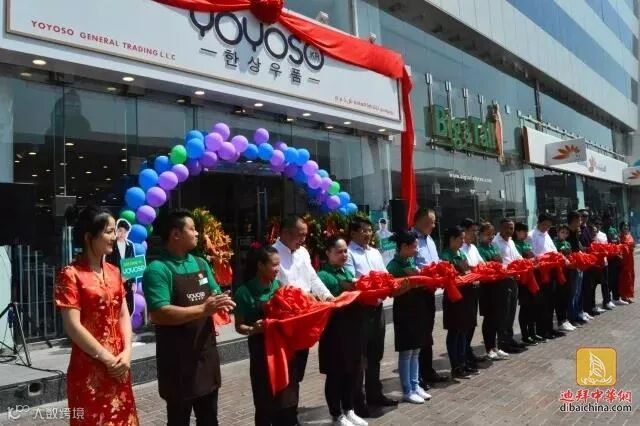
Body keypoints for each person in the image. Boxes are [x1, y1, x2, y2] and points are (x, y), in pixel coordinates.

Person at [143, 209, 235, 426]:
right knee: (178, 419)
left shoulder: (200, 263)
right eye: (192, 229)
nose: (197, 233)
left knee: (209, 418)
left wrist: (221, 300)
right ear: (176, 234)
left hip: (205, 356)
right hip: (177, 361)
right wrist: (203, 309)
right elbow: (160, 313)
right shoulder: (157, 269)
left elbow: (213, 292)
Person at [54, 205, 139, 425]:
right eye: (109, 231)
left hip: (119, 366)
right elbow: (73, 327)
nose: (114, 236)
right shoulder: (71, 274)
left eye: (114, 231)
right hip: (90, 370)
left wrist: (127, 353)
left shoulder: (114, 272)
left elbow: (123, 314)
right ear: (89, 237)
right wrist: (107, 358)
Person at [272, 215, 334, 419]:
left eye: (305, 235)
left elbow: (313, 278)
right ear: (286, 233)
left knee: (297, 372)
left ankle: (292, 413)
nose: (303, 240)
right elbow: (275, 288)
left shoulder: (303, 252)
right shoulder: (272, 254)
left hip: (304, 320)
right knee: (285, 372)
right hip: (286, 321)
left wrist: (327, 296)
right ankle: (284, 417)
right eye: (300, 235)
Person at [234, 246, 299, 426]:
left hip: (284, 352)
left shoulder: (279, 286)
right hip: (262, 354)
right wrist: (253, 329)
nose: (278, 269)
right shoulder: (244, 292)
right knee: (265, 403)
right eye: (274, 265)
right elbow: (239, 326)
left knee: (287, 401)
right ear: (260, 265)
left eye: (279, 264)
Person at [345, 217, 397, 414]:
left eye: (369, 230)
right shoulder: (348, 253)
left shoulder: (375, 252)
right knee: (360, 357)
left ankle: (375, 393)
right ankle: (358, 401)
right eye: (364, 230)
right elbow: (352, 280)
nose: (368, 234)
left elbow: (384, 274)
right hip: (360, 310)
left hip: (377, 308)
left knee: (376, 353)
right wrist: (371, 286)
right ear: (353, 233)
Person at [317, 237, 368, 426]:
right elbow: (324, 301)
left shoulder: (347, 272)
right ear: (328, 253)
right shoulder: (322, 276)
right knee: (336, 374)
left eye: (346, 251)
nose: (344, 255)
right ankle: (336, 414)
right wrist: (342, 290)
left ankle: (349, 409)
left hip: (352, 330)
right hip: (334, 332)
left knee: (351, 372)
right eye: (339, 251)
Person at [386, 230, 432, 404]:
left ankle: (415, 384)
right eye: (413, 246)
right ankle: (407, 389)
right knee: (406, 351)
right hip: (404, 311)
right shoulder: (393, 266)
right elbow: (393, 291)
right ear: (404, 246)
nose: (416, 249)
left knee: (416, 349)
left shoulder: (411, 262)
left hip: (417, 308)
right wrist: (410, 284)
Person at [411, 208, 448, 386]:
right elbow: (412, 266)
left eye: (434, 222)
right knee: (418, 334)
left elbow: (435, 261)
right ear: (418, 220)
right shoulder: (411, 239)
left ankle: (428, 370)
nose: (433, 225)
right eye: (430, 222)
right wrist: (426, 273)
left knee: (427, 333)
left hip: (429, 292)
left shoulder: (430, 239)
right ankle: (418, 375)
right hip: (416, 292)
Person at [440, 226, 479, 379]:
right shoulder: (445, 255)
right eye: (460, 238)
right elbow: (453, 273)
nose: (463, 241)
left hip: (466, 295)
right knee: (454, 331)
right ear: (452, 239)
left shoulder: (461, 253)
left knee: (463, 330)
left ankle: (463, 362)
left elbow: (466, 270)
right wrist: (463, 272)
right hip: (453, 297)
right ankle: (455, 366)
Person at [529, 214, 571, 337]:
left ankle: (549, 328)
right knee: (542, 303)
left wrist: (562, 258)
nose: (546, 228)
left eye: (548, 226)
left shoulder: (546, 234)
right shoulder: (531, 235)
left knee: (551, 301)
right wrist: (544, 259)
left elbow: (553, 250)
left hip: (551, 270)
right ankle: (542, 330)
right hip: (540, 272)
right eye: (544, 225)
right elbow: (531, 254)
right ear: (539, 223)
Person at [492, 219, 527, 354]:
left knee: (511, 311)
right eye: (506, 228)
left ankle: (509, 338)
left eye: (511, 228)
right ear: (500, 228)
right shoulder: (495, 242)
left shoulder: (511, 241)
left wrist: (524, 265)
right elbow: (498, 263)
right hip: (503, 280)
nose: (509, 231)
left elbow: (518, 257)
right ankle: (502, 342)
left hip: (514, 279)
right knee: (504, 313)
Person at [476, 223, 509, 361]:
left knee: (497, 317)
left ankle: (495, 347)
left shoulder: (494, 247)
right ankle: (489, 348)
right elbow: (485, 265)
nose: (490, 237)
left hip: (498, 285)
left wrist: (495, 262)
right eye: (487, 234)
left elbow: (499, 261)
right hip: (487, 288)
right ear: (480, 235)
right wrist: (494, 262)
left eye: (492, 234)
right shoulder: (479, 249)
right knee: (489, 318)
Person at [459, 219, 484, 368]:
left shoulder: (473, 247)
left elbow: (481, 264)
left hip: (475, 288)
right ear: (464, 231)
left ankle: (468, 351)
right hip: (464, 289)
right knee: (465, 324)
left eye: (476, 231)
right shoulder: (459, 249)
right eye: (472, 231)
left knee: (472, 322)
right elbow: (466, 268)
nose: (475, 234)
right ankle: (463, 355)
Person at [512, 222, 541, 346]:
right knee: (525, 307)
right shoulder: (515, 245)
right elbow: (521, 260)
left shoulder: (526, 244)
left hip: (532, 278)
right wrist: (530, 260)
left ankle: (532, 333)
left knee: (533, 306)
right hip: (523, 280)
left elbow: (534, 257)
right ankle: (525, 335)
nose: (525, 234)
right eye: (523, 231)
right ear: (517, 232)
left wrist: (532, 259)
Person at [106, 219, 136, 315]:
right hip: (114, 280)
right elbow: (107, 262)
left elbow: (133, 263)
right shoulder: (111, 244)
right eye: (120, 231)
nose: (122, 234)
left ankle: (127, 322)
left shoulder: (130, 245)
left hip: (128, 280)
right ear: (116, 230)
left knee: (129, 306)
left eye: (125, 232)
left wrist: (133, 282)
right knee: (116, 305)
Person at [567, 211, 589, 328]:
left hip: (579, 264)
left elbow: (579, 246)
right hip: (572, 266)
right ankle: (572, 318)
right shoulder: (566, 233)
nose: (580, 222)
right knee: (573, 293)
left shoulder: (576, 232)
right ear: (573, 221)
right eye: (578, 220)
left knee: (578, 292)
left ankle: (577, 314)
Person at [603, 214, 620, 309]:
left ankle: (616, 297)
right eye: (608, 219)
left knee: (616, 278)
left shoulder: (613, 229)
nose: (610, 221)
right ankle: (608, 299)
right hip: (609, 258)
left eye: (610, 219)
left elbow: (617, 240)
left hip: (616, 256)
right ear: (605, 220)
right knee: (610, 279)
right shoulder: (603, 231)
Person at [619, 222, 635, 304]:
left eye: (627, 226)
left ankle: (628, 295)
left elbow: (633, 245)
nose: (626, 227)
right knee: (624, 278)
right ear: (621, 228)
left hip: (630, 260)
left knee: (631, 277)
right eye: (624, 226)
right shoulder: (620, 236)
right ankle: (624, 296)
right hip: (623, 260)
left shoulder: (630, 235)